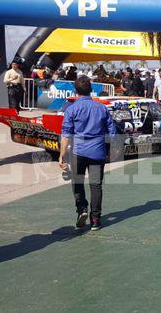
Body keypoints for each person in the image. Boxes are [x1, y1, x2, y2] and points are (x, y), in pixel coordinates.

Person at [59, 76, 117, 231]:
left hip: (78, 152)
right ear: (91, 89)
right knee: (96, 185)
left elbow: (66, 134)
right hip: (97, 152)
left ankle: (82, 209)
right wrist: (111, 149)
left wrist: (62, 155)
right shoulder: (102, 108)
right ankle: (96, 219)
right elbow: (112, 132)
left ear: (75, 91)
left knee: (77, 182)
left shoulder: (71, 109)